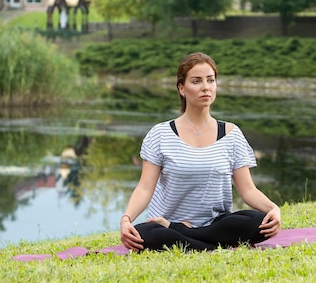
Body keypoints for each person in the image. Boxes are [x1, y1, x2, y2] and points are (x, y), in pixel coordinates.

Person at [120, 52, 281, 252]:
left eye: (210, 80)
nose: (205, 87)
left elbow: (248, 190)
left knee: (259, 222)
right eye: (196, 81)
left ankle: (185, 236)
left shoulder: (231, 134)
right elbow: (145, 188)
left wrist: (274, 209)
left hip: (216, 224)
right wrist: (126, 219)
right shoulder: (160, 134)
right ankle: (211, 244)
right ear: (182, 88)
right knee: (145, 235)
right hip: (163, 222)